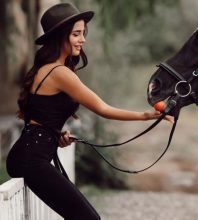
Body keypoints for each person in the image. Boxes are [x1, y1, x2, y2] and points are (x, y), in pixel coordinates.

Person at [6, 3, 172, 220]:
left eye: (83, 33)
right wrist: (145, 115)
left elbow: (40, 115)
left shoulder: (48, 69)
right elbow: (102, 108)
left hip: (29, 153)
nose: (82, 39)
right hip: (31, 158)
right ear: (59, 37)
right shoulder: (60, 73)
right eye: (76, 34)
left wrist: (55, 134)